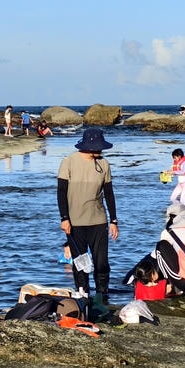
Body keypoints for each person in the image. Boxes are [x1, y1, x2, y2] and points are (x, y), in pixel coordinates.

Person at [57, 128, 118, 310]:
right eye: (97, 148)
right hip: (75, 223)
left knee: (101, 263)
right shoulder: (68, 162)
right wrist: (64, 218)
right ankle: (83, 295)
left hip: (98, 220)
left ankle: (102, 296)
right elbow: (61, 192)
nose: (100, 151)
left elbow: (109, 194)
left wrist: (114, 221)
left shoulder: (104, 164)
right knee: (80, 262)